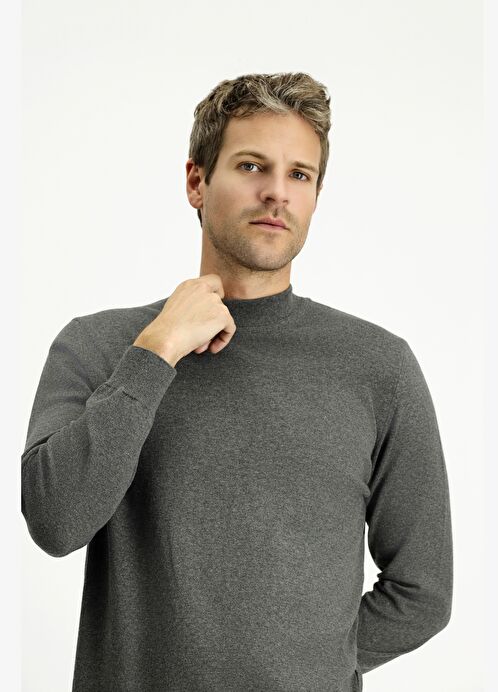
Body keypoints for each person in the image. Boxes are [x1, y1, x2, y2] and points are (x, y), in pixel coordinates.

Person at [21, 72, 453, 692]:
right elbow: (56, 521)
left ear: (315, 196)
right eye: (252, 166)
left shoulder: (378, 367)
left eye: (299, 174)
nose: (276, 192)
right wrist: (157, 351)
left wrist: (308, 668)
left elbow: (423, 591)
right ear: (196, 181)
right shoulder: (101, 346)